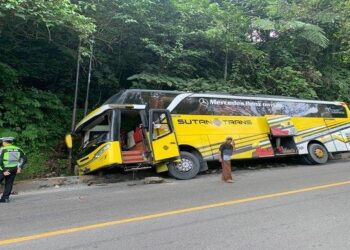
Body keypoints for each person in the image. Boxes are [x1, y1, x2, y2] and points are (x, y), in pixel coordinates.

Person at [0, 137, 27, 203]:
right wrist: (20, 167)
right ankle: (5, 198)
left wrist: (3, 171)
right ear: (11, 142)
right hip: (13, 169)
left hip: (4, 168)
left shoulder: (2, 149)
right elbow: (24, 158)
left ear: (5, 142)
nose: (2, 143)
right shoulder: (18, 149)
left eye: (2, 142)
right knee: (9, 183)